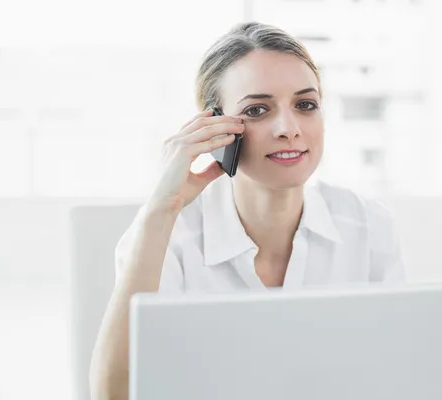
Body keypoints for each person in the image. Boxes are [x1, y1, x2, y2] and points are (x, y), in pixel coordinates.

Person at [89, 21, 405, 399]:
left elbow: (395, 377)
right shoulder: (168, 239)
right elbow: (114, 394)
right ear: (214, 126)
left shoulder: (367, 227)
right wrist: (162, 209)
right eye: (257, 110)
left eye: (306, 105)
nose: (288, 128)